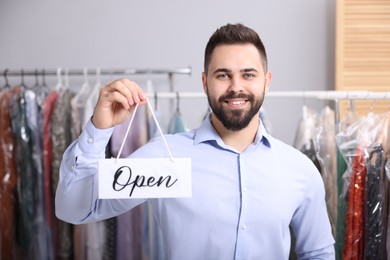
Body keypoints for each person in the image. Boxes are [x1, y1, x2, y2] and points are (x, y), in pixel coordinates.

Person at [55, 23, 335, 259]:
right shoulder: (163, 159)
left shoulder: (301, 170)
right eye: (223, 75)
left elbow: (319, 254)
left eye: (248, 74)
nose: (236, 86)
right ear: (205, 82)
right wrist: (98, 130)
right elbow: (74, 208)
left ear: (266, 81)